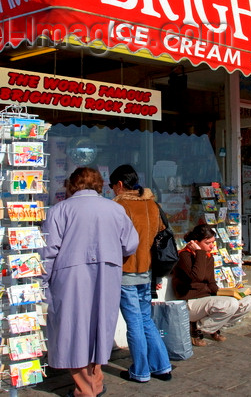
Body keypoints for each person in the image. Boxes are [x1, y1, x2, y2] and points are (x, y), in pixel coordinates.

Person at [39, 167, 139, 397]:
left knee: (74, 329)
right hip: (107, 274)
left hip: (71, 276)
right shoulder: (115, 209)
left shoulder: (60, 210)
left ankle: (85, 390)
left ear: (72, 185)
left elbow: (48, 251)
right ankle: (95, 383)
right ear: (99, 185)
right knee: (99, 328)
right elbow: (131, 244)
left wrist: (42, 282)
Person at [109, 164, 173, 383]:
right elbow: (158, 233)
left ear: (119, 185)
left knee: (134, 322)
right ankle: (162, 366)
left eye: (112, 186)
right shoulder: (152, 204)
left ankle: (141, 371)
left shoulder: (120, 206)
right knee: (145, 319)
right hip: (146, 270)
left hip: (126, 270)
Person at [173, 224, 251, 346]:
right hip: (190, 301)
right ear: (195, 242)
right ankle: (196, 329)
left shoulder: (208, 256)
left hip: (206, 299)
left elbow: (211, 283)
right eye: (208, 243)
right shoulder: (185, 255)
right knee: (230, 304)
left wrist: (231, 293)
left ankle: (212, 327)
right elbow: (198, 276)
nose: (212, 246)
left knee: (248, 302)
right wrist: (200, 253)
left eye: (213, 242)